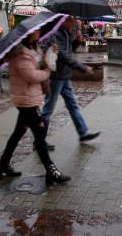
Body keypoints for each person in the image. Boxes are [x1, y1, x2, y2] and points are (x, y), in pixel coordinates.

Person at [0, 29, 71, 185]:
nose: (39, 32)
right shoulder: (19, 55)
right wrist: (47, 71)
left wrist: (51, 54)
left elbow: (40, 64)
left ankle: (2, 165)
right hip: (26, 101)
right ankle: (51, 171)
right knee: (40, 137)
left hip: (29, 98)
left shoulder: (32, 49)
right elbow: (32, 76)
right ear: (29, 34)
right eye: (36, 31)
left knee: (18, 134)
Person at [41, 16, 100, 147]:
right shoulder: (55, 35)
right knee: (48, 109)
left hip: (64, 76)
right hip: (56, 77)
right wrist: (82, 67)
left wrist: (77, 42)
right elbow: (62, 55)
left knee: (73, 105)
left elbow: (68, 51)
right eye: (70, 19)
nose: (73, 21)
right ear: (63, 20)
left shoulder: (66, 33)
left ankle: (83, 133)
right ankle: (39, 140)